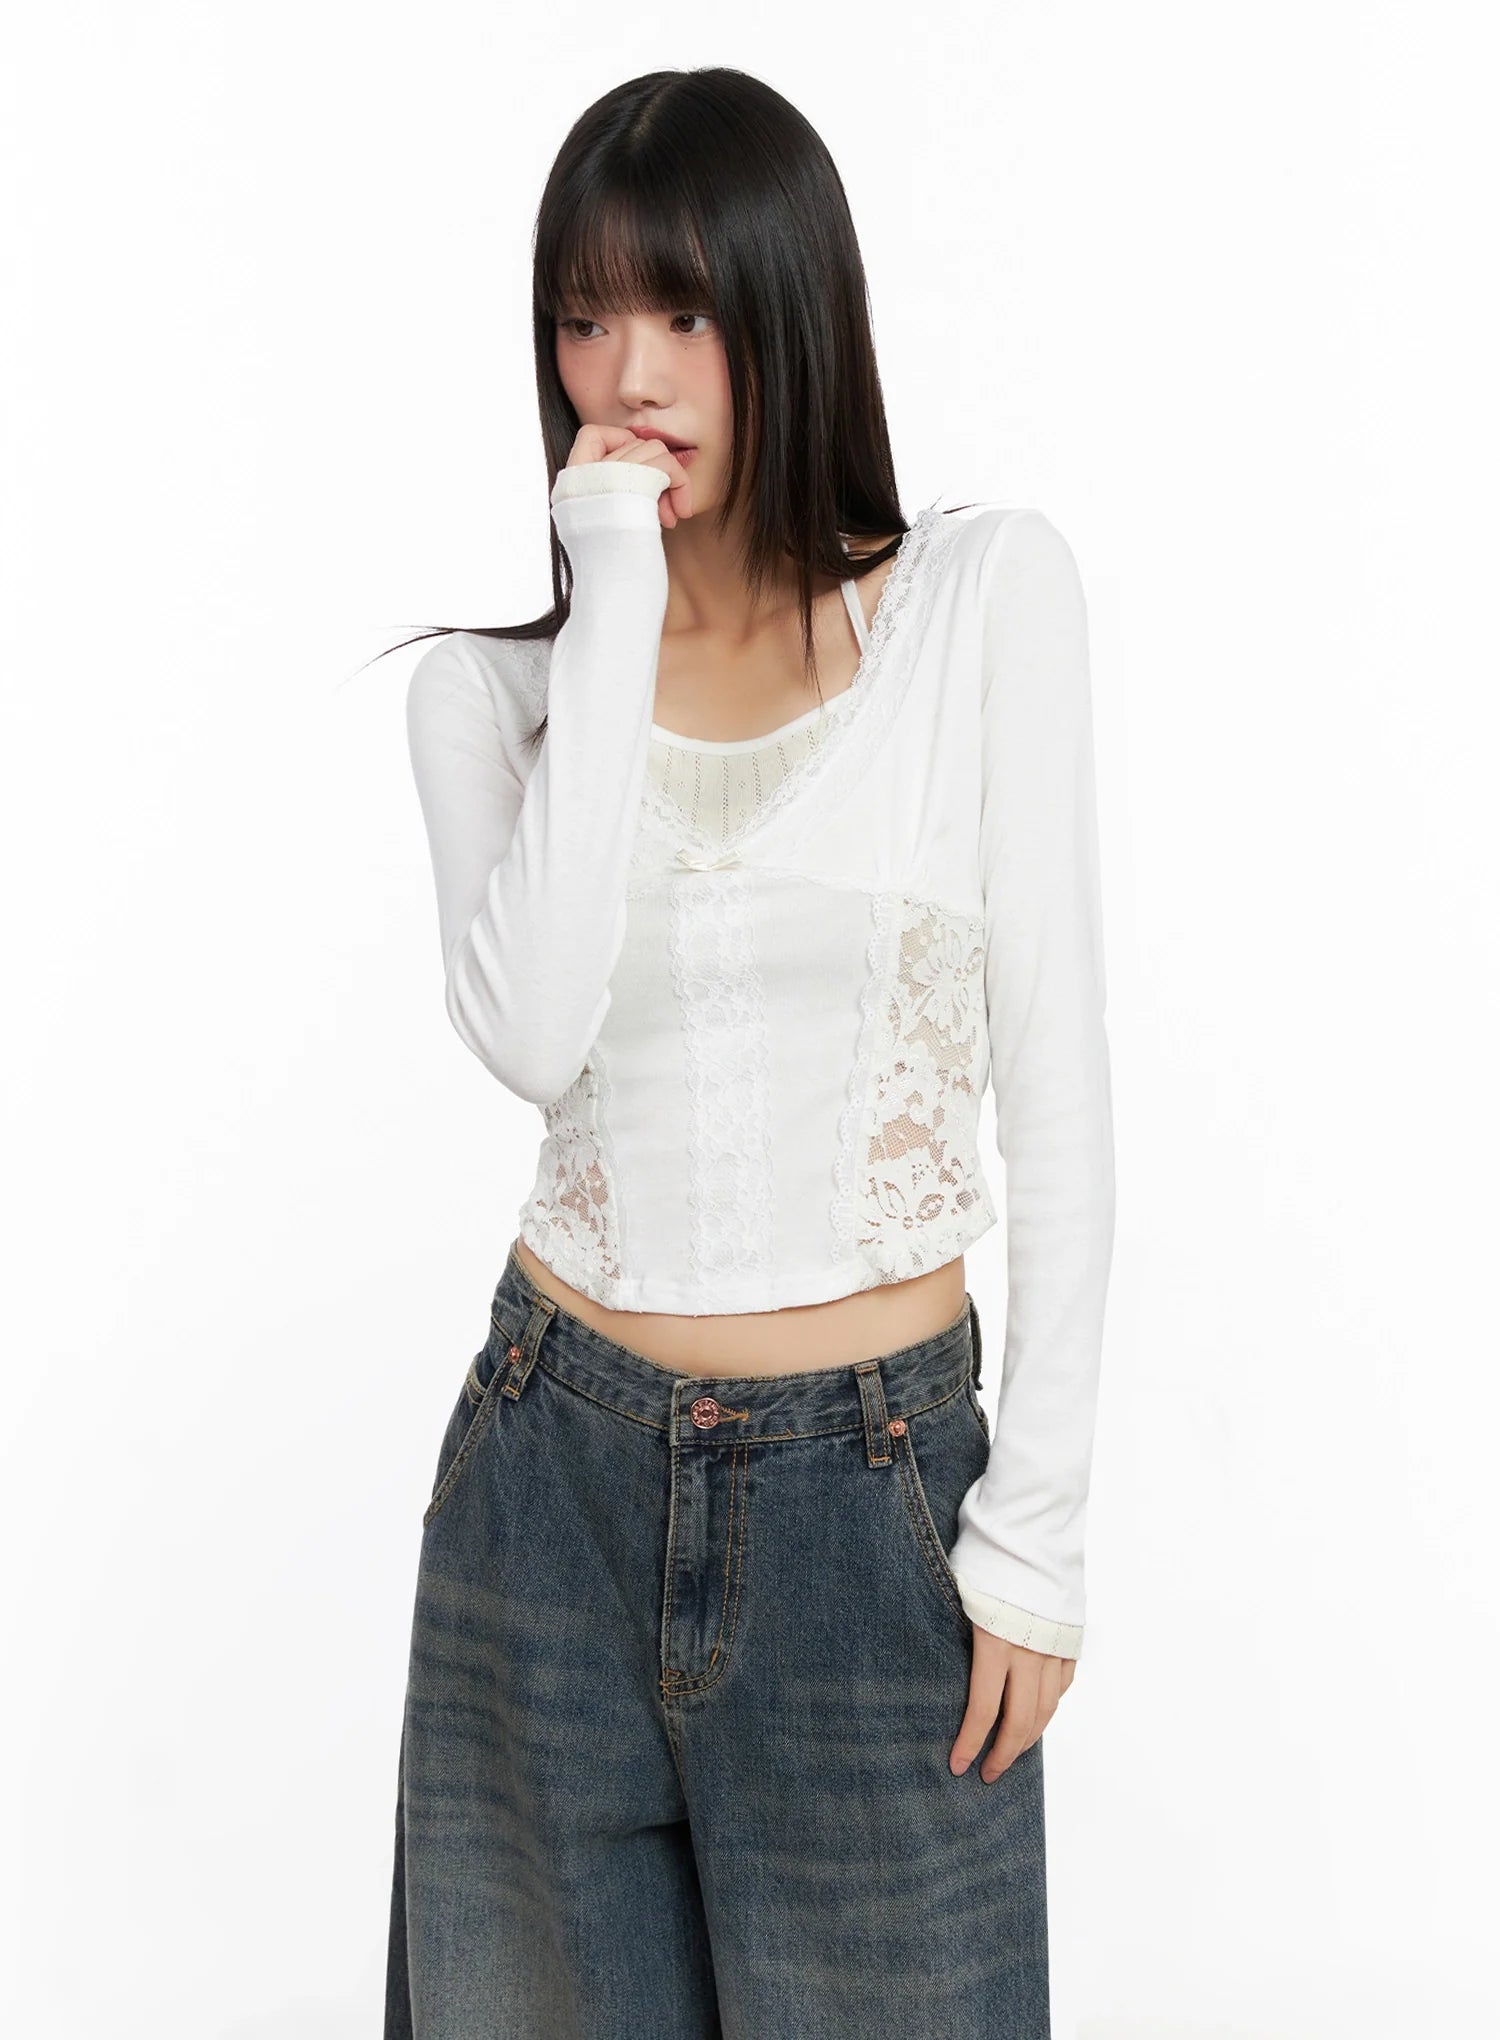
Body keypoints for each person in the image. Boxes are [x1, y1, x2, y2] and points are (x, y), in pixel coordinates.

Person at [384, 63, 1115, 2040]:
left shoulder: (981, 603)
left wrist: (1035, 1538)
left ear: (788, 309)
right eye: (583, 319)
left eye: (683, 313)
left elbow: (1058, 1093)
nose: (625, 376)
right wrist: (614, 586)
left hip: (875, 1506)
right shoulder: (487, 703)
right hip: (546, 1491)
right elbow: (534, 1035)